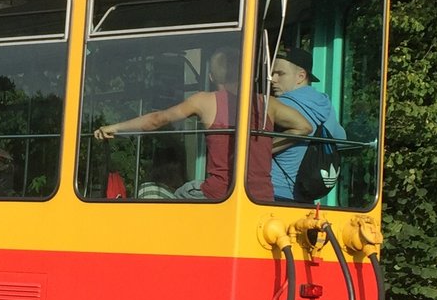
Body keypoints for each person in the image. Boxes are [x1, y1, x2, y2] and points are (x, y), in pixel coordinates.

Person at [94, 49, 311, 200]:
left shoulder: (204, 101)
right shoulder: (266, 103)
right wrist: (265, 148)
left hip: (218, 193)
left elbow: (155, 120)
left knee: (172, 195)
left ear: (210, 75)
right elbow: (304, 127)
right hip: (263, 194)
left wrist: (114, 127)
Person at [269, 47, 346, 201]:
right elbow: (342, 139)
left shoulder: (278, 106)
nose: (273, 79)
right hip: (306, 197)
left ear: (301, 76)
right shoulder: (326, 105)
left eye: (280, 73)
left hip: (272, 195)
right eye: (272, 73)